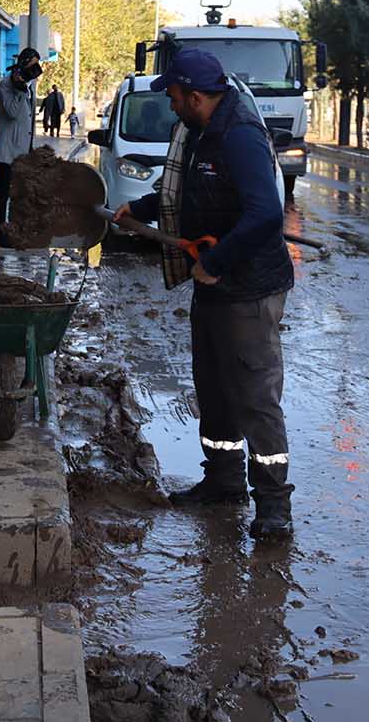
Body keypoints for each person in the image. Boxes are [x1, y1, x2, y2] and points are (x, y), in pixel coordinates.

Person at [113, 49, 295, 539]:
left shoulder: (240, 137)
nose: (170, 104)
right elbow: (188, 195)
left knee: (254, 395)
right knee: (213, 386)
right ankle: (223, 481)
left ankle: (274, 504)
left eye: (173, 96)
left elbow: (266, 215)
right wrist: (142, 208)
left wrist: (213, 262)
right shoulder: (198, 132)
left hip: (248, 288)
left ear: (196, 96)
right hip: (213, 286)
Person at [0, 48, 41, 247]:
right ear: (23, 64)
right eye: (32, 64)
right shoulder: (6, 86)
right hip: (8, 148)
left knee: (22, 192)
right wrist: (19, 91)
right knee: (4, 190)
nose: (35, 69)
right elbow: (11, 112)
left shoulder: (27, 86)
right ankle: (0, 233)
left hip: (23, 148)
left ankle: (17, 230)